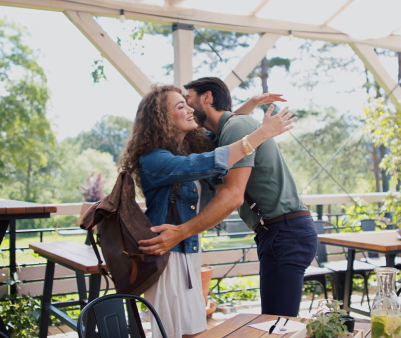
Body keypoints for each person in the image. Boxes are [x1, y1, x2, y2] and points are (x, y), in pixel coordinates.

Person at [118, 84, 294, 338]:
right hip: (167, 256)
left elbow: (224, 136)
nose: (190, 109)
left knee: (193, 331)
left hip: (186, 250)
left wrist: (250, 105)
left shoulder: (188, 149)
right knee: (177, 333)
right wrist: (262, 133)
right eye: (181, 106)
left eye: (188, 104)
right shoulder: (154, 160)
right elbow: (215, 159)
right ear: (162, 118)